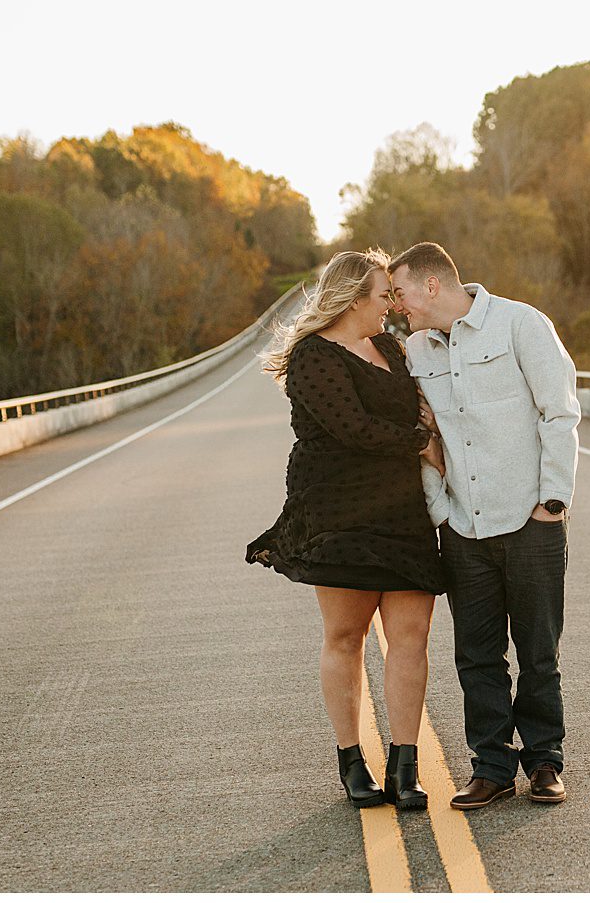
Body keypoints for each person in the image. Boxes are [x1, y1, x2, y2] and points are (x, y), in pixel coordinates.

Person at [244, 247, 447, 811]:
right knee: (345, 637)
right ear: (354, 297)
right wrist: (417, 442)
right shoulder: (313, 357)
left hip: (401, 510)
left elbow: (418, 406)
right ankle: (352, 761)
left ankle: (405, 767)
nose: (392, 305)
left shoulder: (389, 347)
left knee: (410, 637)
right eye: (385, 295)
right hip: (339, 512)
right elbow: (354, 429)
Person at [386, 242, 580, 810]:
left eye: (399, 294)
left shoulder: (521, 325)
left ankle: (545, 762)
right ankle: (491, 767)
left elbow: (560, 410)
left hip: (529, 521)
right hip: (463, 527)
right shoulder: (415, 350)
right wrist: (440, 512)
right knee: (475, 655)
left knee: (538, 650)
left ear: (430, 285)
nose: (397, 308)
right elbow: (424, 438)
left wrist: (552, 503)